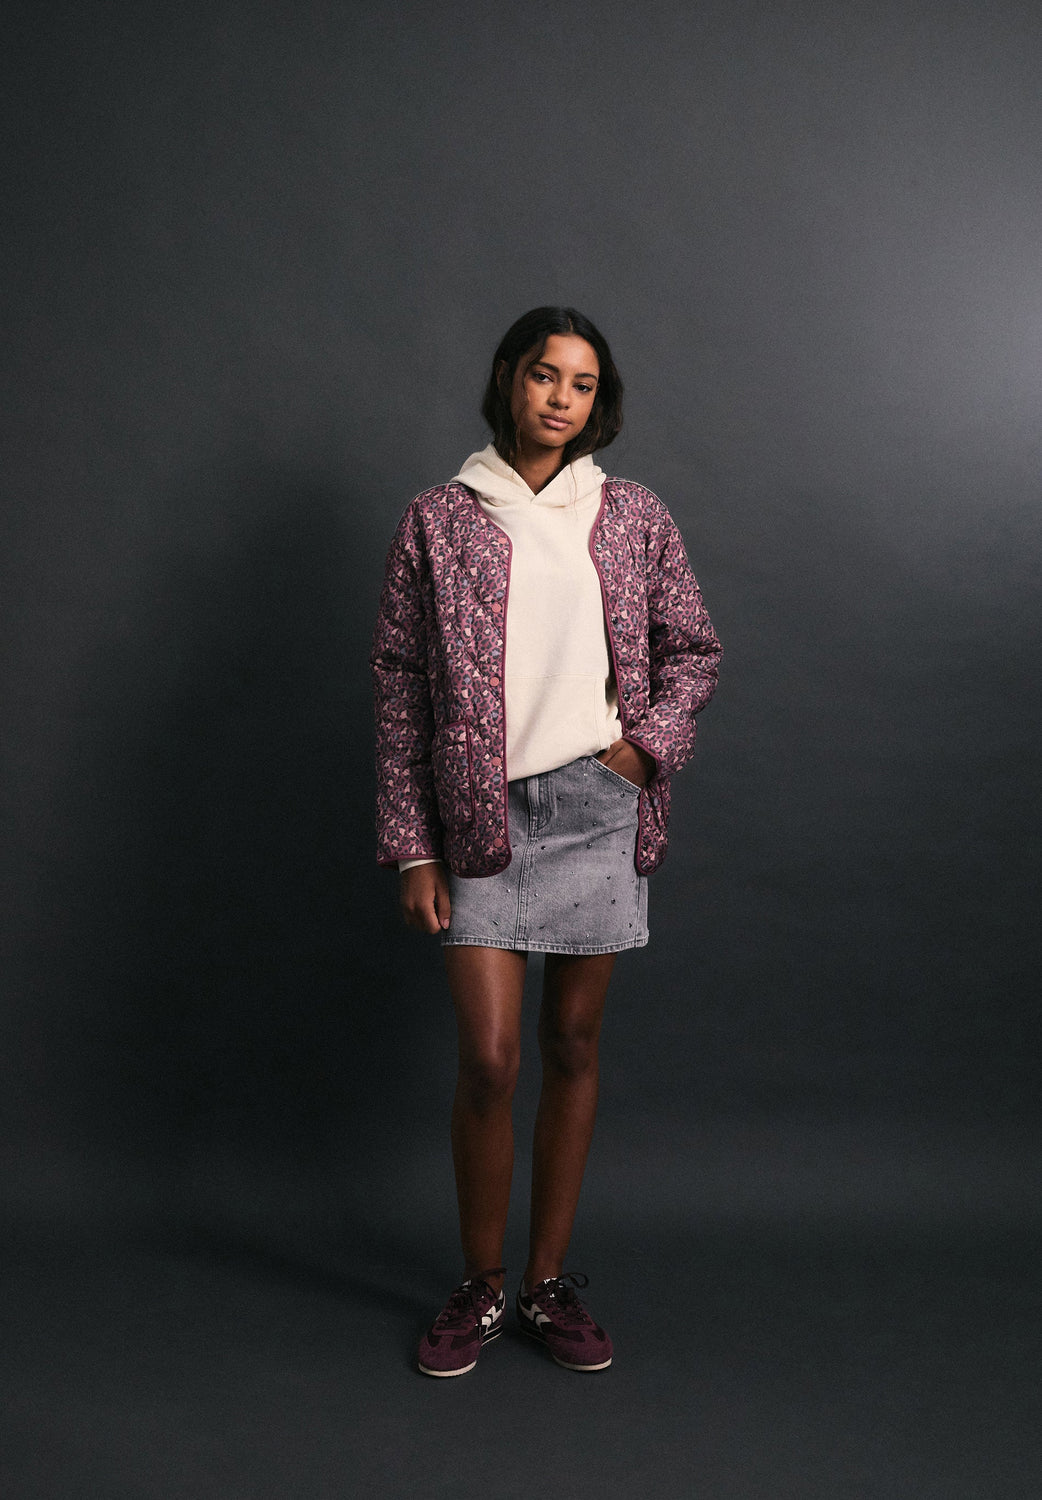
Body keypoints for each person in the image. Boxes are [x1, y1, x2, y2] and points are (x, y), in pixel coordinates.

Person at [371, 306, 721, 1377]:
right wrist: (413, 847)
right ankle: (479, 1286)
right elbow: (400, 684)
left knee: (571, 1045)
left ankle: (546, 1283)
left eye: (581, 382)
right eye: (543, 375)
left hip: (595, 805)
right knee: (490, 1057)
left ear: (595, 400)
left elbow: (692, 650)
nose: (560, 397)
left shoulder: (632, 513)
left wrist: (640, 754)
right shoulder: (439, 518)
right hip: (476, 814)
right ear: (507, 379)